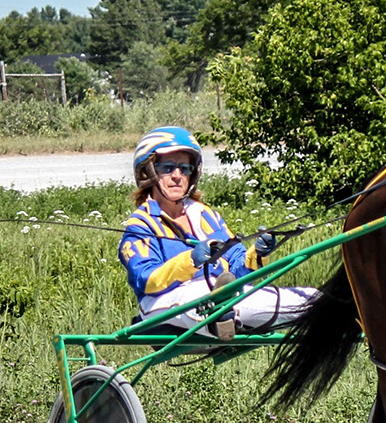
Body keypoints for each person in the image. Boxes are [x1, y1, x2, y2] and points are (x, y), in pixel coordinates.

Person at [118, 126, 318, 337]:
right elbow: (146, 280)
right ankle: (220, 318)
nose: (177, 176)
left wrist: (256, 255)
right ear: (148, 172)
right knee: (204, 293)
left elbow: (239, 271)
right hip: (164, 304)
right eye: (168, 168)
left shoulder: (205, 215)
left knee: (314, 299)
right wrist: (190, 261)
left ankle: (225, 315)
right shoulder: (140, 224)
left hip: (224, 296)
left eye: (184, 169)